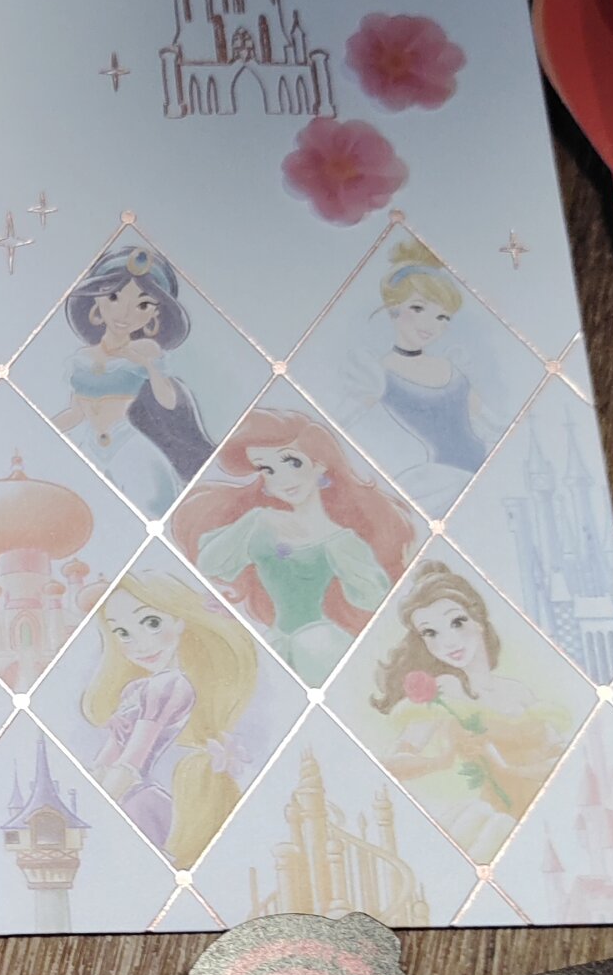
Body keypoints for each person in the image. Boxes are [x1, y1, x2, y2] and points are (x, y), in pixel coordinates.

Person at [174, 409, 416, 684]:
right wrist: (253, 520)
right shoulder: (261, 524)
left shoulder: (340, 540)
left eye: (292, 462)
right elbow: (209, 564)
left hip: (322, 644)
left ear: (319, 463)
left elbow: (373, 599)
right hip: (278, 643)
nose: (283, 479)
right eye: (267, 469)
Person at [367, 561, 571, 860]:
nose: (448, 642)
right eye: (430, 633)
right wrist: (442, 759)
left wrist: (514, 770)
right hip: (497, 822)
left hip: (548, 818)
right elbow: (390, 764)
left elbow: (562, 756)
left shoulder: (517, 691)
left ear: (478, 620)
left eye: (457, 622)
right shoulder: (445, 692)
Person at [80, 571, 261, 868]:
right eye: (122, 633)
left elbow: (130, 763)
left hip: (140, 799)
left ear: (180, 620)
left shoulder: (170, 686)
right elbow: (106, 760)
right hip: (128, 794)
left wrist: (94, 810)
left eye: (152, 623)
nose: (140, 644)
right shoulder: (135, 689)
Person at [50, 246, 216, 510]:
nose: (125, 314)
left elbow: (168, 402)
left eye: (142, 304)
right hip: (90, 447)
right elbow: (76, 413)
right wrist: (43, 429)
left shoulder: (145, 351)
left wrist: (148, 366)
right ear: (97, 301)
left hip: (128, 446)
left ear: (154, 314)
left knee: (152, 506)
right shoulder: (82, 358)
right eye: (113, 297)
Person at [362, 239, 493, 514]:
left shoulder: (450, 367)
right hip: (437, 483)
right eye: (418, 308)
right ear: (393, 308)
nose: (429, 325)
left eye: (442, 317)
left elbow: (485, 418)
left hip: (483, 472)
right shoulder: (379, 373)